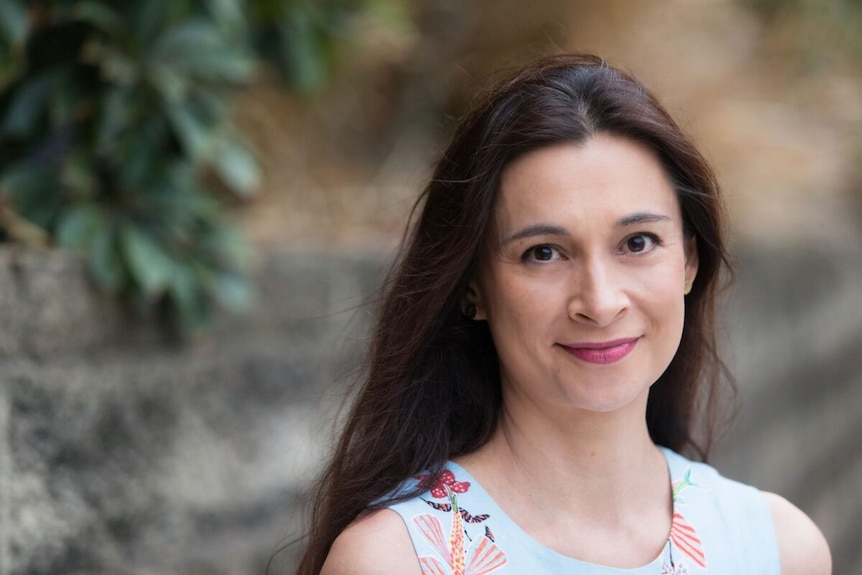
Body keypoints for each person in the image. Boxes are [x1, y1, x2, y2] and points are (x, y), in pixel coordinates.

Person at [296, 54, 831, 574]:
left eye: (638, 242)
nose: (599, 303)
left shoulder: (779, 551)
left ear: (689, 260)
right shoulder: (399, 560)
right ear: (472, 289)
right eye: (544, 253)